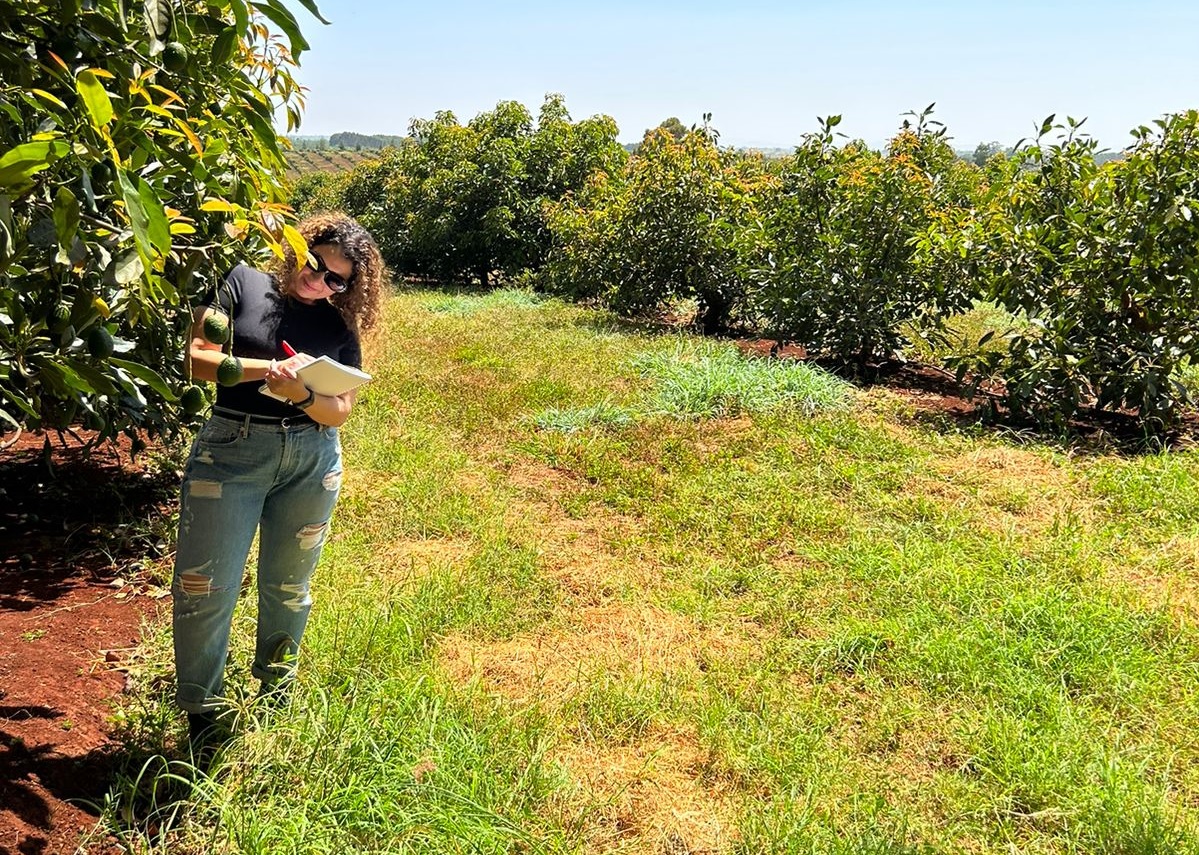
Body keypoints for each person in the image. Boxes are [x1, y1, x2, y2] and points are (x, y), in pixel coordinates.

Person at [172, 212, 385, 759]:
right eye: (316, 265)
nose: (320, 282)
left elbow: (339, 410)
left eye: (337, 280)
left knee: (289, 589)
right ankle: (203, 713)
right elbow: (199, 360)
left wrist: (301, 395)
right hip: (233, 450)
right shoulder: (243, 281)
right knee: (206, 588)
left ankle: (273, 696)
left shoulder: (338, 328)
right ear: (300, 245)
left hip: (311, 459)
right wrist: (265, 370)